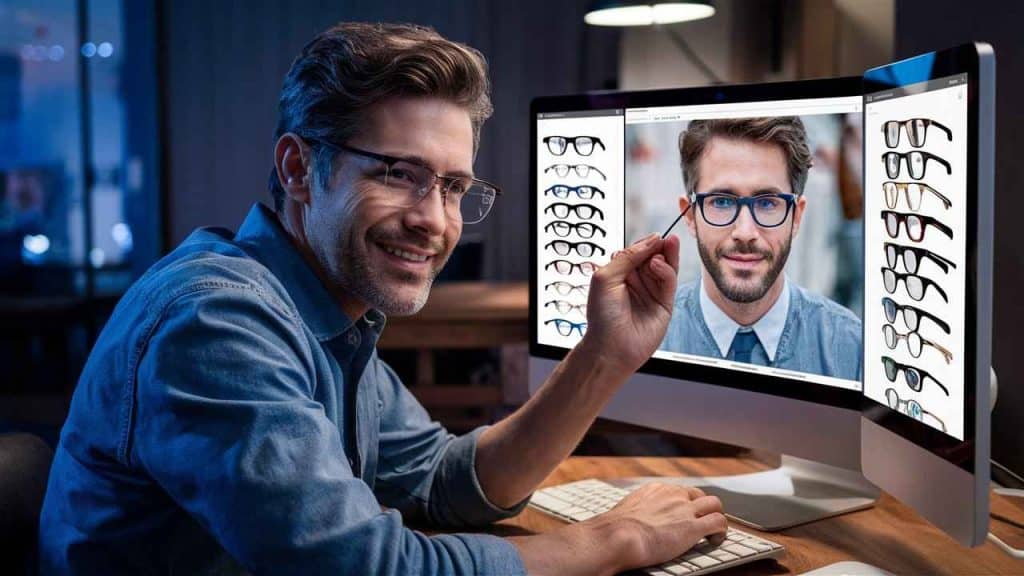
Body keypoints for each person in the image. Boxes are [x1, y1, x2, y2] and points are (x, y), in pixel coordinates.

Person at [38, 22, 727, 575]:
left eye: (454, 187)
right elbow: (363, 566)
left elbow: (448, 482)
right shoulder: (218, 321)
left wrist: (603, 354)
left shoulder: (325, 307)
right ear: (299, 168)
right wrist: (616, 542)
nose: (434, 219)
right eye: (400, 174)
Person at [660, 117, 862, 380]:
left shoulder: (852, 348)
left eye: (767, 203)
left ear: (796, 217)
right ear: (689, 216)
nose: (745, 232)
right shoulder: (643, 344)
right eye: (721, 201)